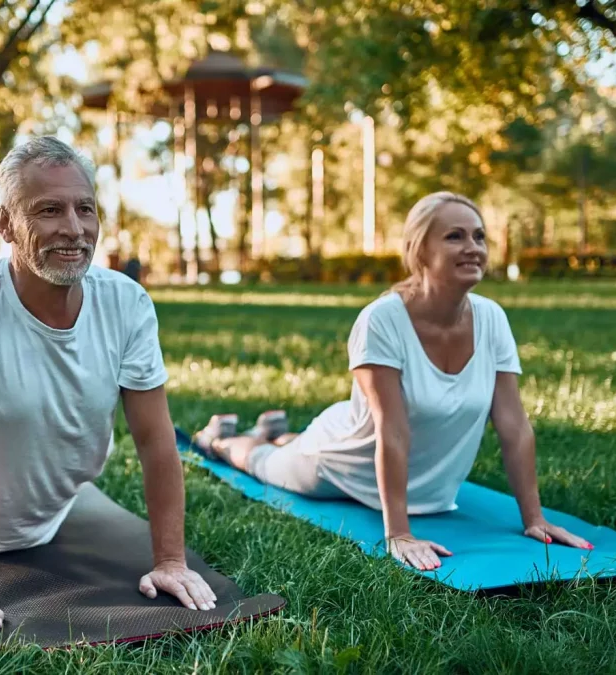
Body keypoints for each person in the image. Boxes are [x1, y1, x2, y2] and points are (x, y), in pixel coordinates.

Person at [0, 136, 216, 645]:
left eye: (85, 209)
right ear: (6, 224)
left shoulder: (127, 304)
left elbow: (155, 440)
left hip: (46, 502)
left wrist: (170, 560)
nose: (74, 229)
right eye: (49, 210)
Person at [191, 191, 593, 572]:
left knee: (284, 446)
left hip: (425, 490)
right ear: (421, 251)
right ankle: (222, 439)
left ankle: (276, 432)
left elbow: (514, 425)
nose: (473, 247)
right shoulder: (382, 320)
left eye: (478, 236)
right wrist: (398, 533)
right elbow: (392, 428)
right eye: (455, 236)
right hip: (338, 465)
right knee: (263, 463)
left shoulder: (492, 319)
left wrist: (534, 518)